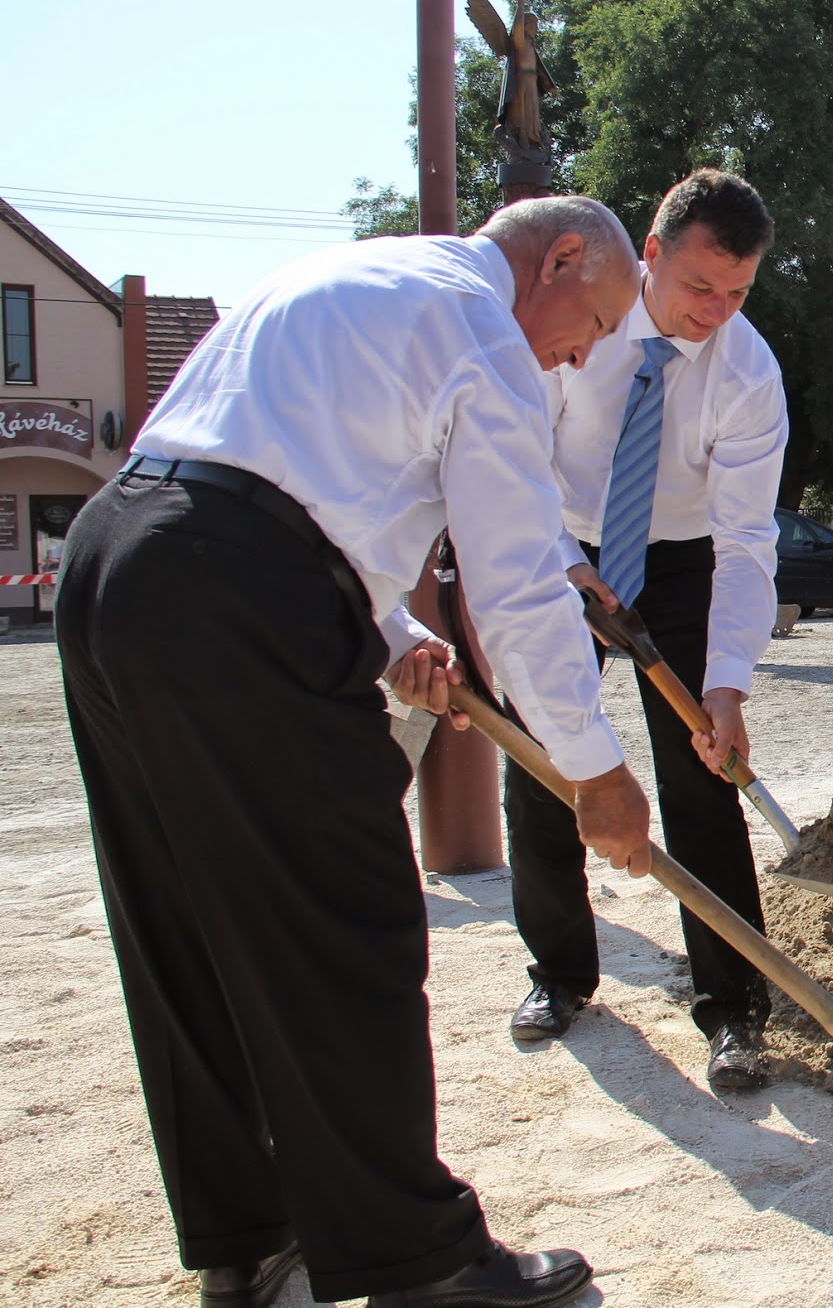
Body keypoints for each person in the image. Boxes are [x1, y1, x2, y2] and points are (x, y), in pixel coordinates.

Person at [55, 196, 650, 1308]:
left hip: (118, 560)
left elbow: (277, 480)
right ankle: (416, 1262)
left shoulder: (357, 274)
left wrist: (383, 627)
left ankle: (247, 1243)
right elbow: (520, 586)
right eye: (596, 321)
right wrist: (595, 770)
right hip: (233, 591)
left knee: (180, 921)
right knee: (349, 924)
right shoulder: (485, 335)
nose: (582, 354)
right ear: (560, 257)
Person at [502, 170, 788, 1095]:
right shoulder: (578, 318)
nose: (716, 311)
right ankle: (559, 971)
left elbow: (745, 542)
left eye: (737, 292)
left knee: (703, 772)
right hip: (565, 543)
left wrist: (728, 683)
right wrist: (563, 563)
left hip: (683, 560)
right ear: (651, 254)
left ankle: (733, 1004)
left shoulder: (749, 373)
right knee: (543, 760)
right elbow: (515, 468)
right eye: (700, 285)